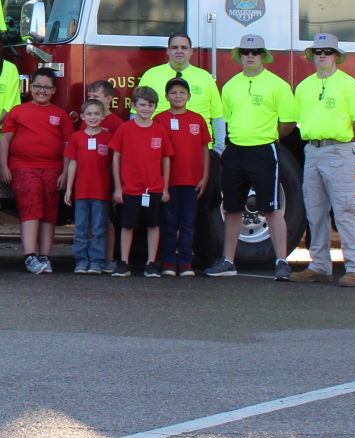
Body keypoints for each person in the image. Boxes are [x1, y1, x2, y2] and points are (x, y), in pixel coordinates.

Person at [208, 34, 298, 279]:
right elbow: (223, 120)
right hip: (235, 150)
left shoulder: (277, 85)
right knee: (232, 208)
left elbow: (288, 121)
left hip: (263, 150)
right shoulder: (230, 85)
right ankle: (228, 260)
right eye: (246, 52)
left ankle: (281, 261)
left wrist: (269, 137)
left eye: (255, 52)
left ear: (263, 56)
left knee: (271, 207)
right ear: (239, 56)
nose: (250, 56)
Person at [290, 33, 355, 287]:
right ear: (312, 56)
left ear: (336, 56)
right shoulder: (304, 87)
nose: (323, 55)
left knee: (344, 211)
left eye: (327, 51)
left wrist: (339, 135)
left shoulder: (349, 85)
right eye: (318, 51)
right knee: (315, 212)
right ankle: (319, 266)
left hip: (339, 150)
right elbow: (298, 120)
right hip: (313, 150)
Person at [0, 67, 68, 273]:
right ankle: (30, 256)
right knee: (31, 208)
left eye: (47, 87)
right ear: (31, 87)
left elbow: (67, 146)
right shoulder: (18, 111)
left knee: (49, 212)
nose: (42, 91)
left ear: (54, 90)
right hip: (23, 167)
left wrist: (65, 172)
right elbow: (5, 139)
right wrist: (3, 166)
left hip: (53, 169)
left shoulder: (60, 114)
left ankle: (45, 257)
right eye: (38, 86)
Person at [110, 86, 171, 277]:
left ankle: (151, 262)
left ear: (155, 107)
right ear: (134, 105)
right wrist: (118, 187)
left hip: (153, 187)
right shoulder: (125, 128)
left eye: (150, 105)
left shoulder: (160, 130)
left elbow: (166, 159)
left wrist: (165, 188)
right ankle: (124, 262)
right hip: (130, 188)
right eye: (142, 105)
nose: (146, 109)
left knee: (154, 225)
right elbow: (116, 157)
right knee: (127, 225)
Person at [158, 77, 211, 276]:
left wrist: (204, 177)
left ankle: (186, 261)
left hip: (192, 180)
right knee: (169, 223)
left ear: (189, 96)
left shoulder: (197, 119)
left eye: (182, 92)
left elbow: (205, 149)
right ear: (166, 96)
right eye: (173, 92)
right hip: (169, 182)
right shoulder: (160, 119)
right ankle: (169, 261)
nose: (178, 96)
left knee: (188, 223)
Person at [137, 34, 225, 148]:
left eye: (184, 48)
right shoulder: (150, 75)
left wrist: (219, 148)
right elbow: (136, 115)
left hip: (198, 149)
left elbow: (217, 117)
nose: (179, 51)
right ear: (168, 51)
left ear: (191, 51)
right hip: (158, 147)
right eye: (175, 47)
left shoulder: (205, 77)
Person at [63, 98, 113, 273]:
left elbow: (113, 165)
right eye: (89, 114)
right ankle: (81, 261)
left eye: (96, 114)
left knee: (99, 229)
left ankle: (97, 261)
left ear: (103, 116)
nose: (93, 117)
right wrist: (69, 188)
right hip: (81, 192)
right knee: (81, 229)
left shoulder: (108, 138)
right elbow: (73, 163)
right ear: (83, 116)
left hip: (101, 192)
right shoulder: (77, 137)